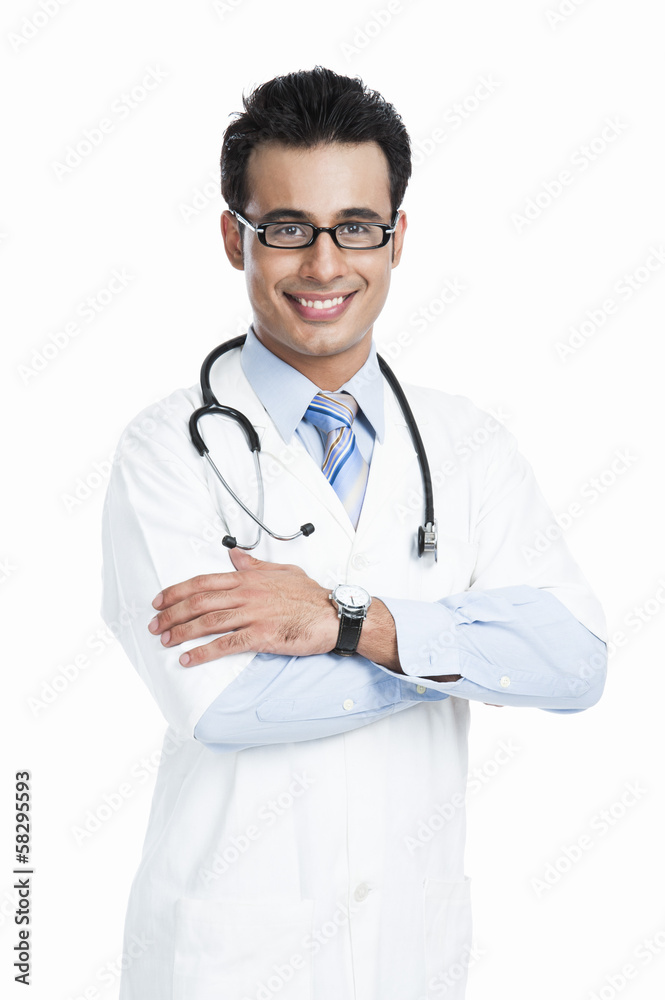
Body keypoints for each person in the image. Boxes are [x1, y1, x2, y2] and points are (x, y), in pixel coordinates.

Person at [101, 66, 608, 1000]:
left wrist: (347, 621)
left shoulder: (469, 445)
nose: (325, 265)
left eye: (355, 229)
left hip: (405, 955)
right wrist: (462, 647)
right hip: (225, 961)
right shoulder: (167, 450)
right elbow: (224, 706)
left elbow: (574, 665)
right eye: (287, 229)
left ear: (396, 237)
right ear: (234, 237)